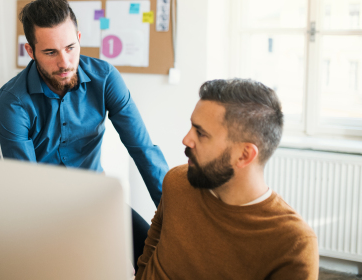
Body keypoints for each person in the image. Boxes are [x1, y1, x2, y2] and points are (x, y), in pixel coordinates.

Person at [0, 0, 169, 267]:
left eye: (69, 48)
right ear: (30, 51)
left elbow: (142, 148)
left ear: (78, 39)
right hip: (43, 210)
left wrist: (177, 214)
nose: (64, 62)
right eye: (50, 52)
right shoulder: (13, 101)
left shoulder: (105, 78)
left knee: (154, 256)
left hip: (96, 198)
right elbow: (26, 183)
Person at [136, 79, 318, 280]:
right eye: (191, 127)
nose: (186, 139)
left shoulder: (294, 243)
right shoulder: (177, 181)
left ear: (244, 155)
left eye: (201, 133)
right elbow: (150, 251)